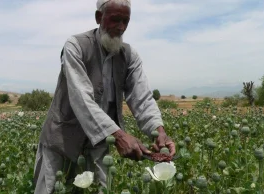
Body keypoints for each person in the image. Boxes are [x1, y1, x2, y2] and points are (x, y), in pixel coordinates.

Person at [33, 0, 176, 193]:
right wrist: (119, 136)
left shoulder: (129, 55)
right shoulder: (76, 46)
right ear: (99, 17)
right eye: (115, 19)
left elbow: (142, 98)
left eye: (126, 21)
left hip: (98, 145)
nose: (121, 27)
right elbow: (81, 99)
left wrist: (158, 131)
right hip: (62, 142)